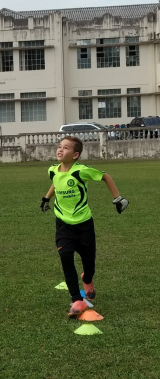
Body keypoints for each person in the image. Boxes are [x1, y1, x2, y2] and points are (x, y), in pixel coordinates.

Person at [40, 136, 129, 318]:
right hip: (63, 224)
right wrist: (46, 198)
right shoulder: (52, 170)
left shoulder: (81, 171)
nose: (60, 150)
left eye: (66, 148)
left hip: (84, 225)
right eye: (59, 146)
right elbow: (56, 183)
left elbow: (105, 176)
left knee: (89, 263)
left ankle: (87, 279)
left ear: (75, 154)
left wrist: (118, 198)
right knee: (65, 256)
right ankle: (76, 300)